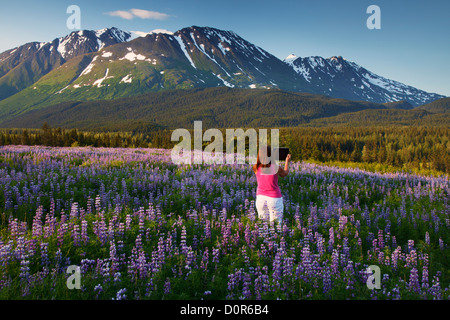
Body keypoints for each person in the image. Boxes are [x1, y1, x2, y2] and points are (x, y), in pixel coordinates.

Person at [252, 145, 291, 224]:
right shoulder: (275, 168)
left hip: (260, 199)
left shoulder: (255, 167)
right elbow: (285, 173)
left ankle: (262, 236)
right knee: (276, 224)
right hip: (274, 198)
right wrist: (287, 162)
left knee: (262, 224)